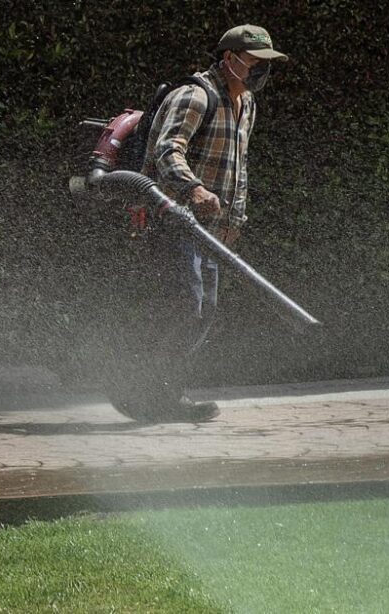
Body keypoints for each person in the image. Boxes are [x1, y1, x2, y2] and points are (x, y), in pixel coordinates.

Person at [106, 25, 289, 423]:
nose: (261, 72)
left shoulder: (247, 104)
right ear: (230, 59)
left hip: (209, 229)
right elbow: (167, 150)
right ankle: (138, 388)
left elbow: (237, 167)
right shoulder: (194, 95)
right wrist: (194, 190)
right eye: (256, 63)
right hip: (172, 218)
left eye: (266, 65)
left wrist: (234, 219)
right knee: (184, 306)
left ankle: (159, 394)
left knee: (203, 310)